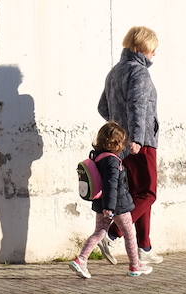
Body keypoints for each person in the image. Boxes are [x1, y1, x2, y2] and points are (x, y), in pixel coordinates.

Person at [97, 25, 163, 265]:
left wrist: (120, 130)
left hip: (122, 145)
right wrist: (136, 137)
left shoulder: (114, 72)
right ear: (139, 48)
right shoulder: (139, 72)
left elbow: (103, 108)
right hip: (142, 142)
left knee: (137, 195)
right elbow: (137, 105)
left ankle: (144, 246)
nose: (153, 56)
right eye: (151, 50)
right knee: (148, 193)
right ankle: (112, 233)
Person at [68, 121, 151, 278]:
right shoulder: (113, 161)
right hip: (117, 205)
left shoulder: (97, 156)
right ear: (117, 143)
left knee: (99, 232)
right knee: (129, 233)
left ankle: (81, 260)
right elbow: (111, 185)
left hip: (101, 203)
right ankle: (135, 266)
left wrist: (105, 206)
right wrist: (110, 207)